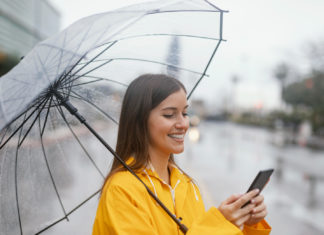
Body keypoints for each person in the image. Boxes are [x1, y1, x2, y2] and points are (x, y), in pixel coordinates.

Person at [92, 74, 271, 234]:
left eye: (184, 113)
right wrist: (219, 226)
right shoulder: (122, 190)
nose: (183, 123)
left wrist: (246, 225)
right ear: (140, 121)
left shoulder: (186, 184)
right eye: (170, 115)